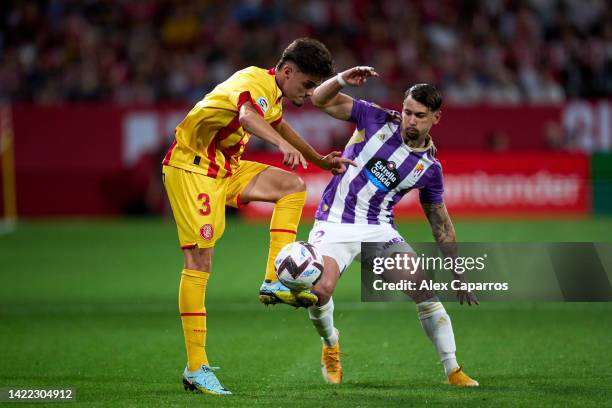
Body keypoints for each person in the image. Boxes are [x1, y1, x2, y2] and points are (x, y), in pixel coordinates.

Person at [162, 38, 355, 395]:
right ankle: (196, 367)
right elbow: (248, 116)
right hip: (191, 168)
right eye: (307, 84)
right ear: (287, 71)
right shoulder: (254, 82)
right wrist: (279, 146)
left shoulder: (273, 92)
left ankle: (274, 280)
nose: (309, 93)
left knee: (293, 186)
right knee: (200, 260)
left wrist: (319, 161)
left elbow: (280, 127)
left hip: (224, 167)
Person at [305, 67, 479, 386]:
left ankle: (453, 370)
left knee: (425, 291)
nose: (410, 120)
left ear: (436, 118)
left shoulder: (429, 168)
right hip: (334, 222)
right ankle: (331, 345)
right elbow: (318, 99)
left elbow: (440, 224)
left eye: (419, 115)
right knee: (320, 290)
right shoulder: (374, 119)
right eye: (407, 112)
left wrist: (458, 271)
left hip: (378, 231)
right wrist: (343, 78)